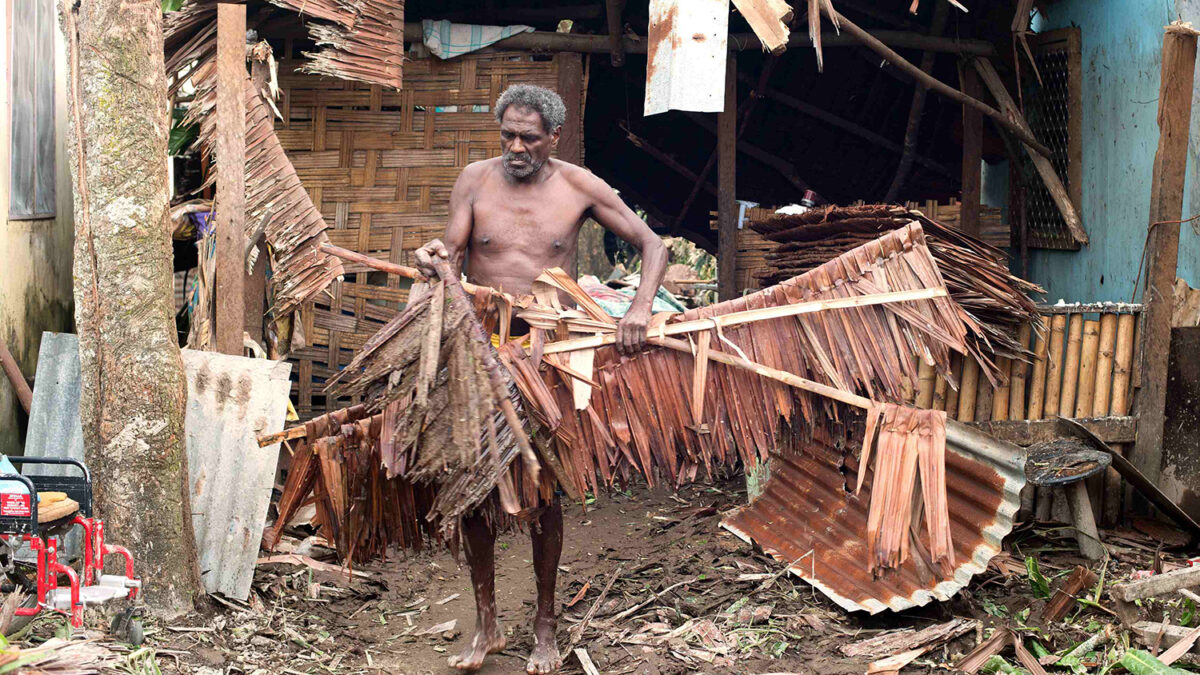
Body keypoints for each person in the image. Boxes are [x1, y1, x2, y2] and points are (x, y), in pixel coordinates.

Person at [414, 84, 668, 674]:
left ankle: (545, 626)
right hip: (479, 350)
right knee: (474, 490)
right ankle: (487, 624)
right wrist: (432, 258)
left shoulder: (579, 186)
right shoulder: (475, 180)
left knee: (542, 491)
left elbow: (652, 244)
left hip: (546, 357)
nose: (516, 146)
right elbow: (449, 254)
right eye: (508, 135)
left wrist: (639, 308)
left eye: (529, 137)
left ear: (553, 137)